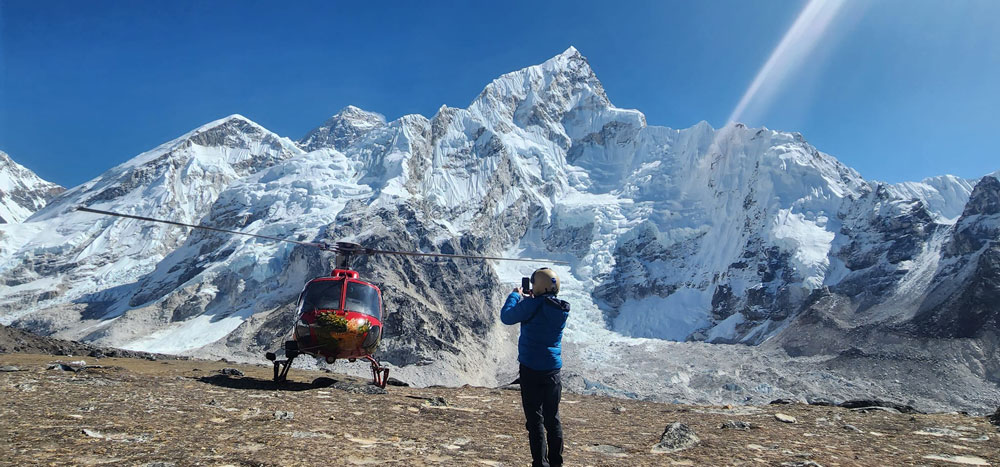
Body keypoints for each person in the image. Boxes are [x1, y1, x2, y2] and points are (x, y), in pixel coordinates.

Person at [500, 267, 571, 467]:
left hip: (530, 371)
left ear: (538, 286)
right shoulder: (560, 309)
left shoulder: (531, 305)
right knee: (553, 420)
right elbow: (543, 308)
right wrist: (535, 298)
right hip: (552, 371)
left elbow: (507, 317)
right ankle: (557, 463)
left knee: (535, 421)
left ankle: (540, 463)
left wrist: (515, 296)